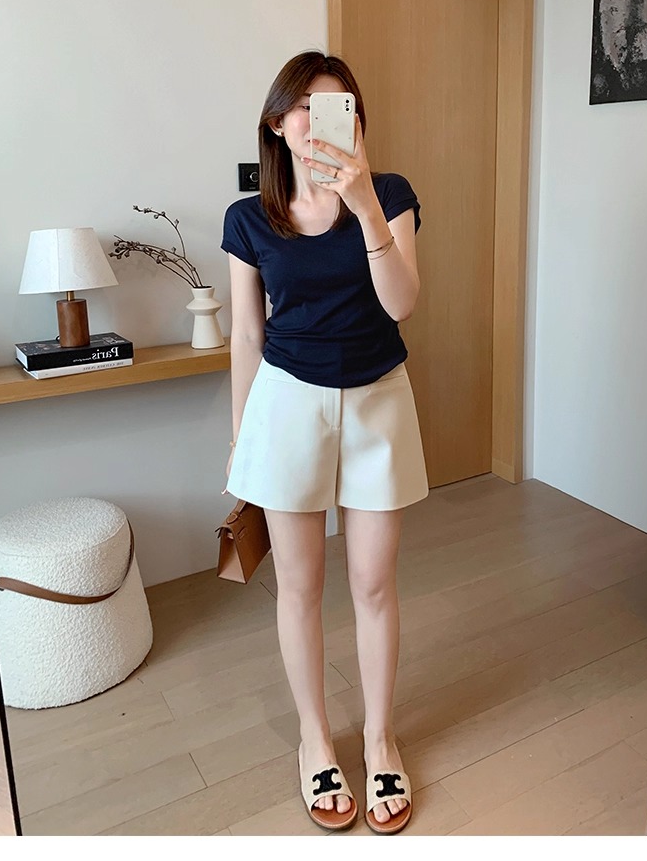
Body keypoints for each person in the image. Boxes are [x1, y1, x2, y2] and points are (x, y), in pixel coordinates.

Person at [221, 50, 429, 834]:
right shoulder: (249, 219)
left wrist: (365, 204)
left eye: (341, 106)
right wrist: (242, 444)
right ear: (279, 123)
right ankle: (315, 739)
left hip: (379, 401)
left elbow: (401, 303)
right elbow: (247, 335)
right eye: (307, 106)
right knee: (300, 588)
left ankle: (379, 739)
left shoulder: (391, 194)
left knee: (374, 585)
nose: (322, 120)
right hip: (287, 406)